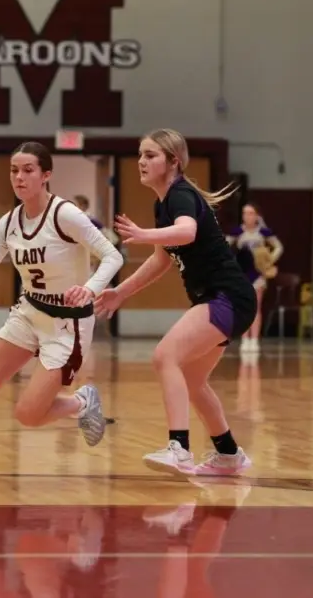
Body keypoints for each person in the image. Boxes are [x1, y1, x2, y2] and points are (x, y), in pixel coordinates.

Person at [0, 141, 123, 478]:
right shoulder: (8, 223)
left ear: (46, 175)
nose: (19, 177)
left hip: (67, 324)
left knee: (28, 415)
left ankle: (81, 402)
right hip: (29, 313)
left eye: (28, 170)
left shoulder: (65, 215)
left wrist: (90, 289)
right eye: (14, 170)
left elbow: (112, 255)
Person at [94, 128, 254, 477]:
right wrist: (120, 292)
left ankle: (179, 448)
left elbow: (187, 231)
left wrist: (143, 234)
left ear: (173, 161)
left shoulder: (181, 194)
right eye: (140, 154)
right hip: (224, 299)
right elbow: (161, 260)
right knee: (192, 380)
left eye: (150, 155)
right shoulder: (163, 203)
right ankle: (229, 454)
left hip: (227, 296)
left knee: (165, 356)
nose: (141, 161)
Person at [227, 204, 283, 351]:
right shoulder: (238, 231)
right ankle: (245, 339)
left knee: (256, 307)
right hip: (243, 272)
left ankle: (254, 340)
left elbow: (278, 247)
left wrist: (269, 260)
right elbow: (224, 246)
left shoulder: (263, 232)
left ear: (257, 216)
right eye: (245, 213)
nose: (247, 216)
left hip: (258, 273)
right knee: (244, 307)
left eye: (251, 213)